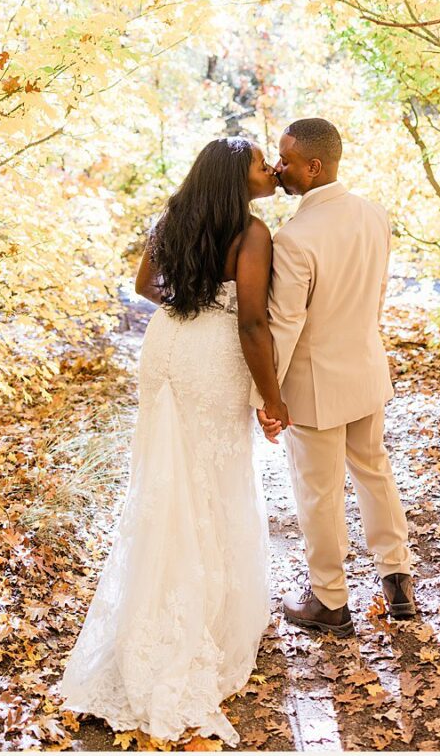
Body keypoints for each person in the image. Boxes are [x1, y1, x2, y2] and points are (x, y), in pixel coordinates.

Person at [55, 137, 284, 744]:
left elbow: (144, 287)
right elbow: (254, 321)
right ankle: (200, 625)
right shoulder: (253, 234)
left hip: (165, 347)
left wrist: (193, 299)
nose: (270, 171)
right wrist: (273, 398)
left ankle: (155, 611)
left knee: (165, 478)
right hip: (213, 358)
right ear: (239, 178)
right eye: (262, 164)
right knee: (213, 480)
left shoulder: (171, 220)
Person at [259, 118, 414, 636]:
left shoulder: (294, 238)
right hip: (366, 369)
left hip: (315, 386)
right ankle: (398, 579)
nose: (278, 167)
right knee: (374, 472)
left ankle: (329, 599)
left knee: (318, 492)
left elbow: (284, 324)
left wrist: (269, 394)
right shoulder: (375, 215)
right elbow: (376, 293)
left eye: (286, 159)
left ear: (314, 165)